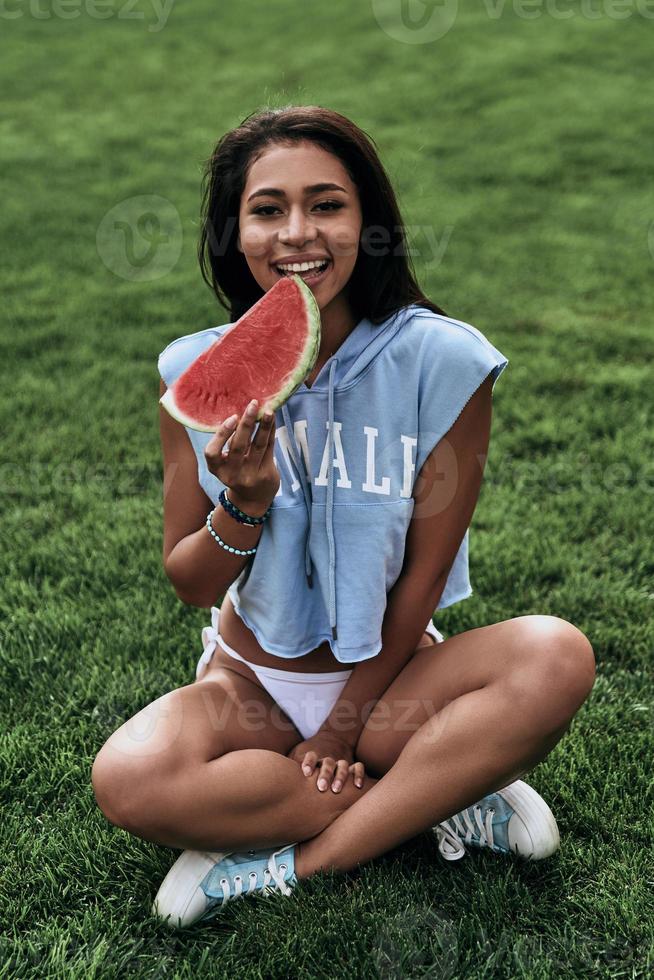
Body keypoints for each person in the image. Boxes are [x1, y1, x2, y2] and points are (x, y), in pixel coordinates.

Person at [91, 106, 596, 930]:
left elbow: (426, 577)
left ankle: (302, 857)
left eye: (327, 204)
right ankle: (438, 791)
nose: (297, 233)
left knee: (557, 654)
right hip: (250, 684)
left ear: (369, 222)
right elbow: (188, 579)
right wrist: (246, 505)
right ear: (235, 229)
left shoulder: (445, 361)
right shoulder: (192, 370)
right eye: (267, 210)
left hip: (394, 682)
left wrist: (338, 735)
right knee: (129, 778)